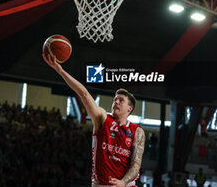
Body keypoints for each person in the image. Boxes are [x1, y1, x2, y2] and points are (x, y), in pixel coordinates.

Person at [43, 54, 145, 187]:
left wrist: (123, 182)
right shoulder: (102, 118)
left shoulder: (137, 131)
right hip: (100, 184)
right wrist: (60, 70)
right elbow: (84, 94)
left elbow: (136, 164)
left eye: (121, 100)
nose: (116, 102)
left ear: (129, 108)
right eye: (115, 99)